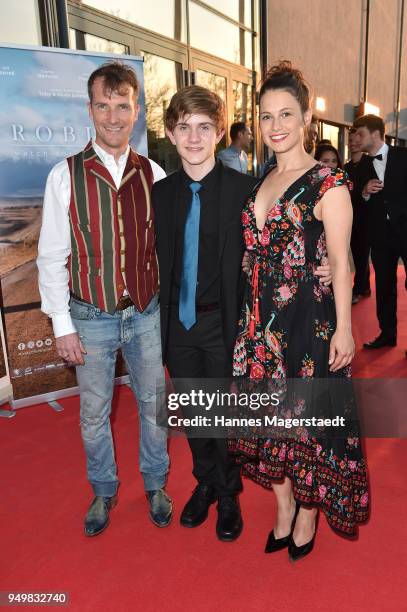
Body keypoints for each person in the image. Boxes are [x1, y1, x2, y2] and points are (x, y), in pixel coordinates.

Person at [152, 85, 332, 543]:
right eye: (185, 128)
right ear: (171, 134)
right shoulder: (160, 194)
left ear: (218, 133)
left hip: (227, 322)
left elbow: (285, 243)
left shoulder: (246, 191)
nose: (194, 138)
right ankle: (206, 483)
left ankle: (229, 492)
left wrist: (326, 264)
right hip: (177, 323)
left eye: (205, 127)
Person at [230, 61, 369, 561]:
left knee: (306, 423)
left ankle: (308, 512)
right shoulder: (261, 178)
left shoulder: (327, 181)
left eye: (287, 114)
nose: (275, 126)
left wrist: (346, 330)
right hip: (259, 325)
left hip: (307, 325)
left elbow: (341, 259)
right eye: (267, 117)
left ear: (307, 118)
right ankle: (284, 506)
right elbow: (254, 251)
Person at [37, 61, 172, 537]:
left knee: (155, 404)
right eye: (103, 106)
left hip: (146, 314)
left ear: (136, 110)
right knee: (93, 413)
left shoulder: (154, 173)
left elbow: (166, 246)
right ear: (90, 109)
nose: (112, 117)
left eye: (122, 106)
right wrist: (61, 324)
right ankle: (103, 488)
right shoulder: (64, 175)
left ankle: (155, 482)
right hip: (89, 317)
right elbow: (51, 255)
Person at [353, 114, 407, 350]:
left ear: (375, 134)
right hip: (380, 237)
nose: (356, 138)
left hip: (405, 232)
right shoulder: (360, 166)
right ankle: (387, 334)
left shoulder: (404, 157)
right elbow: (354, 200)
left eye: (360, 133)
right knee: (384, 287)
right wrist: (364, 192)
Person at [344, 129, 371, 304]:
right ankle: (365, 286)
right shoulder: (345, 167)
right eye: (350, 140)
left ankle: (360, 288)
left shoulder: (369, 163)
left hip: (365, 217)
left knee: (361, 255)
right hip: (348, 217)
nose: (353, 143)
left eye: (356, 140)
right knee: (355, 253)